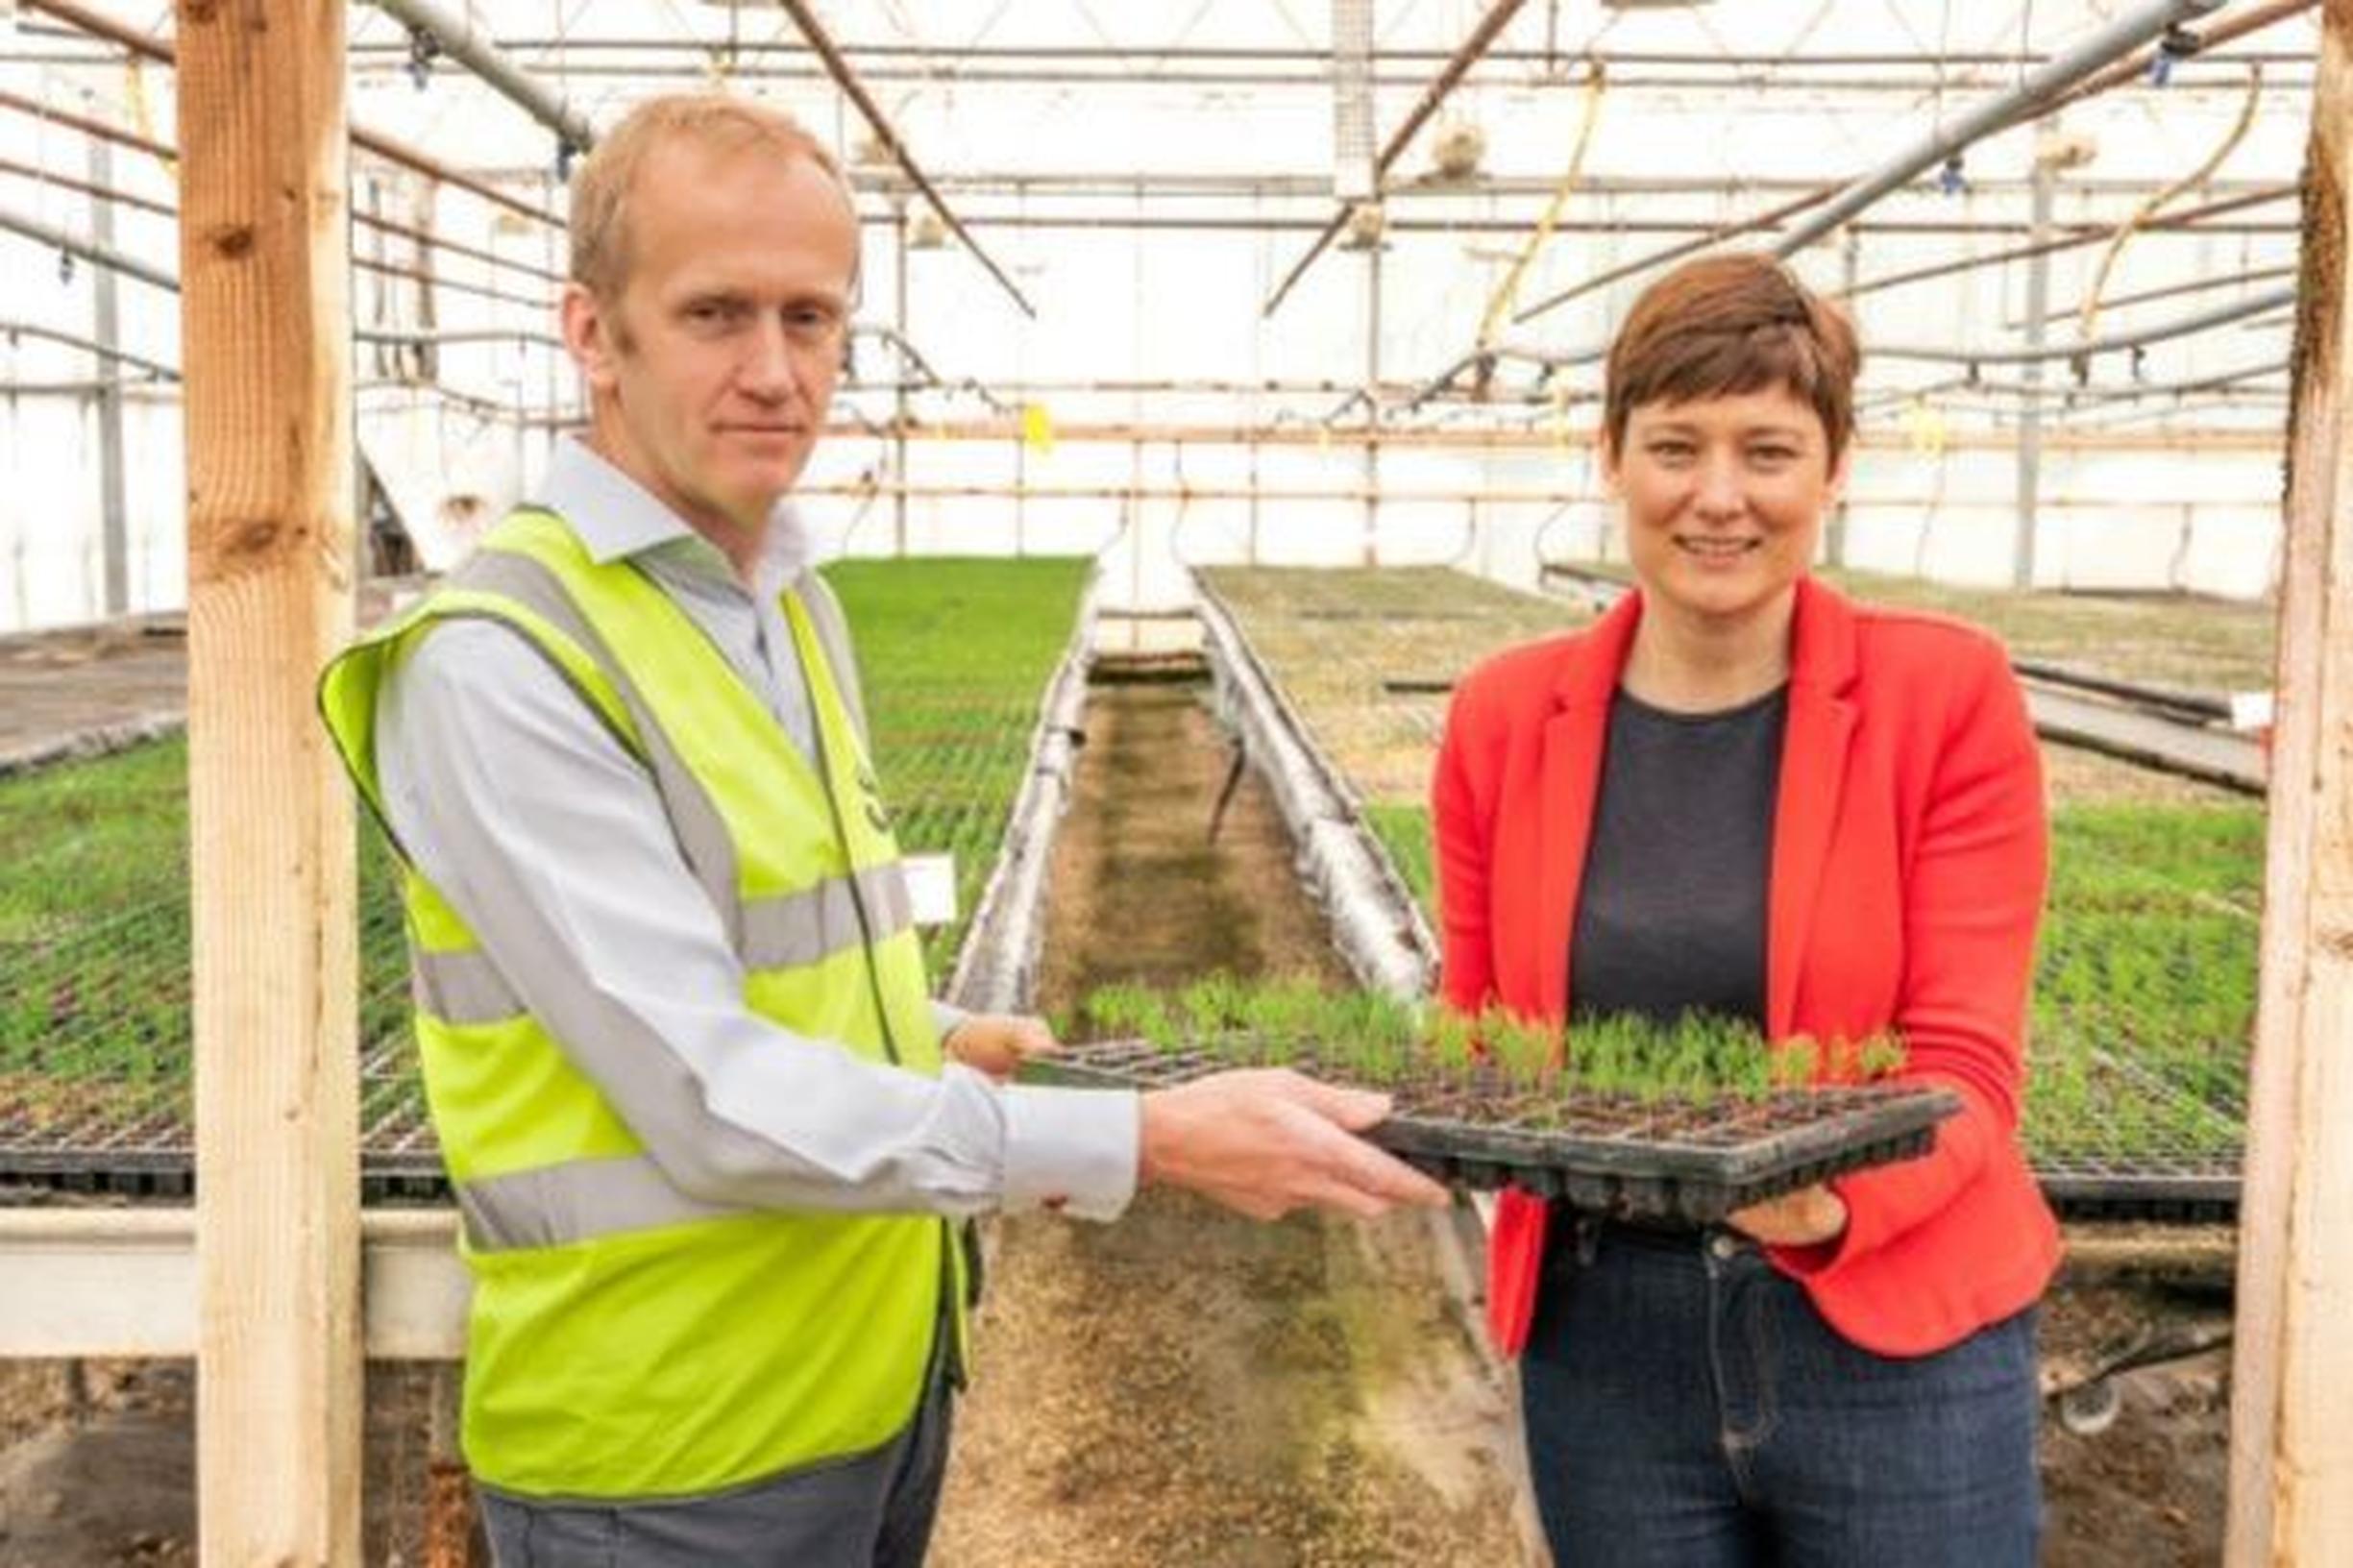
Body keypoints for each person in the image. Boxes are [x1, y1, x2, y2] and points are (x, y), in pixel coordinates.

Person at [320, 92, 1444, 1567]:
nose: (777, 371)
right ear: (593, 333)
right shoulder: (505, 660)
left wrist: (923, 1026)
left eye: (815, 317)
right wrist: (1142, 1143)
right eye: (716, 312)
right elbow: (707, 1093)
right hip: (668, 1454)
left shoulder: (787, 604)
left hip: (867, 1389)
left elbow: (764, 956)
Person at [1433, 253, 2058, 1565]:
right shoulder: (1504, 715)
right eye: (1674, 446)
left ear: (1832, 470)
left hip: (1894, 1332)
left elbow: (1965, 1063)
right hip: (1604, 1344)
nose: (1717, 497)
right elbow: (1480, 1028)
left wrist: (1828, 1206)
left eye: (1767, 451)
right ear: (1608, 457)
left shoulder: (1942, 697)